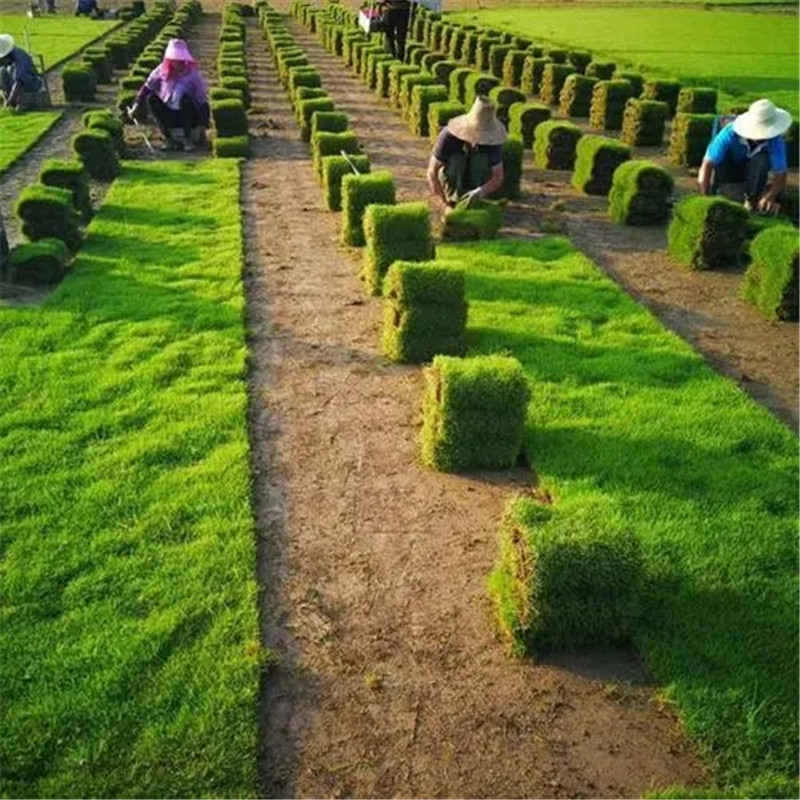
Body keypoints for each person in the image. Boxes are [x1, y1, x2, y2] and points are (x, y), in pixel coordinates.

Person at [698, 98, 791, 214]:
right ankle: (723, 188)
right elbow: (707, 164)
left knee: (762, 159)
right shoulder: (729, 134)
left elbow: (781, 174)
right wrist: (705, 198)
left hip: (755, 171)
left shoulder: (775, 140)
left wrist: (770, 196)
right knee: (729, 200)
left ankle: (752, 198)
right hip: (729, 169)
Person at [427, 95, 507, 213]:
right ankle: (453, 199)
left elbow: (498, 176)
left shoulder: (492, 143)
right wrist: (444, 205)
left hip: (477, 183)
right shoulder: (448, 137)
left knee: (480, 160)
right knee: (457, 159)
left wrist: (480, 192)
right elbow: (431, 172)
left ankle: (471, 200)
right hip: (451, 179)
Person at [129, 38, 209, 152]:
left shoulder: (193, 75)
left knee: (185, 99)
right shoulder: (161, 70)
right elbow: (147, 87)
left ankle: (187, 139)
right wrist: (136, 105)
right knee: (151, 99)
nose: (178, 63)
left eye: (180, 59)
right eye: (175, 59)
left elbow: (202, 100)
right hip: (169, 113)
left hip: (188, 115)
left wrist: (203, 124)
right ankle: (169, 139)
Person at [0, 34, 43, 110]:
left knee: (12, 71)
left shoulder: (20, 57)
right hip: (14, 83)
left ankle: (15, 102)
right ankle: (10, 102)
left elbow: (19, 80)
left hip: (32, 82)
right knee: (2, 72)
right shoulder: (6, 59)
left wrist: (10, 99)